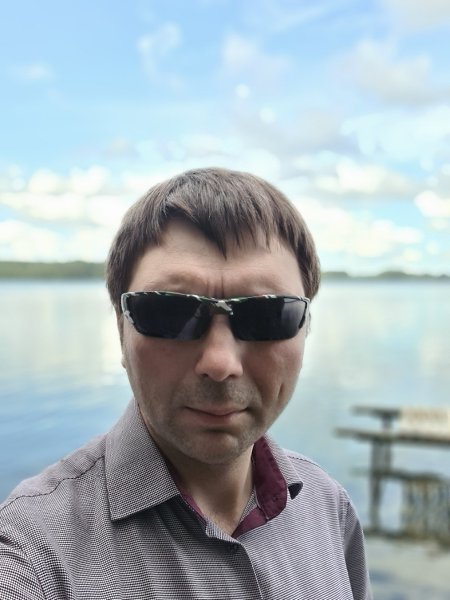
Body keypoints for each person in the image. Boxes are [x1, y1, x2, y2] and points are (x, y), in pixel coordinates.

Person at [0, 167, 372, 599]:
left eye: (268, 315)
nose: (220, 363)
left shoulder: (329, 510)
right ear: (121, 329)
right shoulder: (34, 555)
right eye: (169, 312)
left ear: (305, 328)